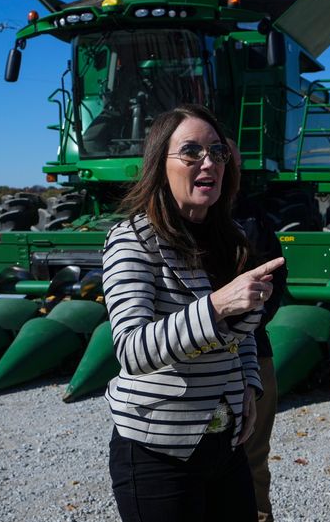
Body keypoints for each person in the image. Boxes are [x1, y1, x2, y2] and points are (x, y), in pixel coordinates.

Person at [103, 104, 285, 522]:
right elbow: (132, 350)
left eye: (218, 153)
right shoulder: (132, 240)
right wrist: (218, 304)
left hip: (226, 446)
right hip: (158, 450)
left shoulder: (230, 238)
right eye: (191, 152)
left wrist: (248, 389)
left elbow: (239, 336)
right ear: (158, 165)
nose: (209, 163)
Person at [228, 139, 288, 522]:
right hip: (186, 371)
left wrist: (245, 326)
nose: (211, 166)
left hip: (252, 352)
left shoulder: (252, 217)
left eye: (223, 157)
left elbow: (275, 279)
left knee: (252, 458)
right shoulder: (160, 226)